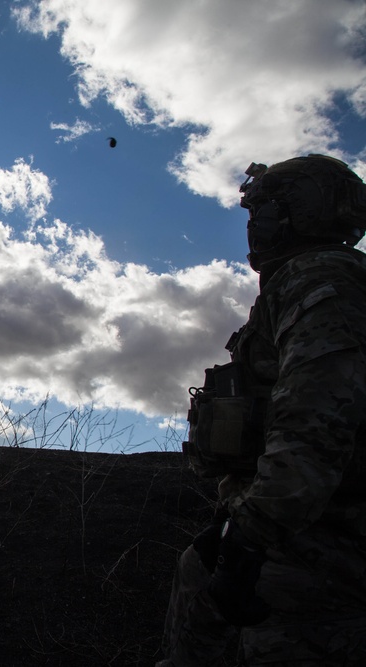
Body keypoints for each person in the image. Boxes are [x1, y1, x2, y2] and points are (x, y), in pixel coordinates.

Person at [160, 154, 366, 665]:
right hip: (297, 528)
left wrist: (252, 536)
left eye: (263, 212)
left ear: (296, 214)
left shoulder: (325, 283)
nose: (255, 227)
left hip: (316, 544)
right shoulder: (310, 281)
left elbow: (315, 423)